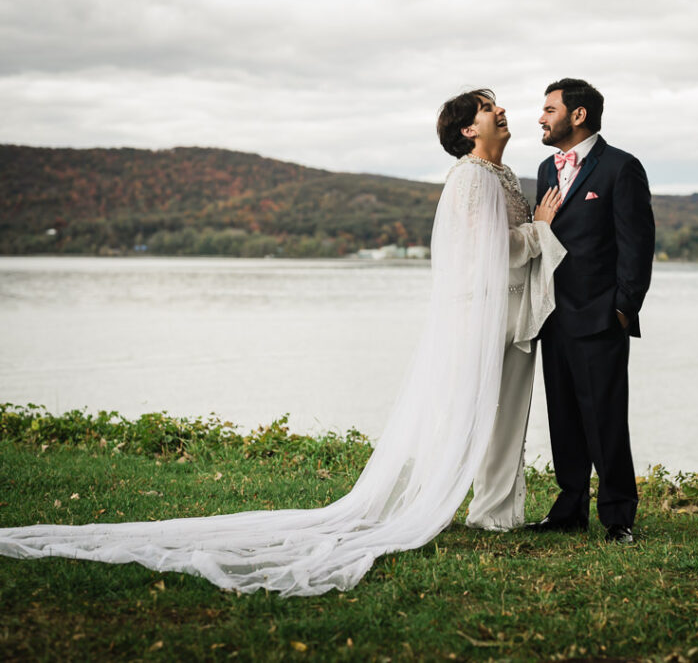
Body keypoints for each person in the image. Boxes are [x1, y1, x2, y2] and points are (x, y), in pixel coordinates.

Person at [0, 90, 565, 596]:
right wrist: (540, 227)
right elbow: (485, 251)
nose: (502, 111)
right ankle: (460, 507)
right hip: (483, 314)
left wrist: (533, 228)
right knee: (478, 409)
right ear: (469, 129)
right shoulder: (470, 178)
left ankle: (496, 513)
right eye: (490, 108)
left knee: (504, 412)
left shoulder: (502, 174)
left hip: (510, 310)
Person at [526, 78, 655, 544]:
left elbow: (637, 245)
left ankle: (618, 515)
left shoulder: (621, 168)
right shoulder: (544, 168)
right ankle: (569, 507)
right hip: (553, 316)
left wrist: (623, 309)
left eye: (549, 109)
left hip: (601, 317)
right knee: (562, 416)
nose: (541, 117)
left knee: (605, 417)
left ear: (577, 115)